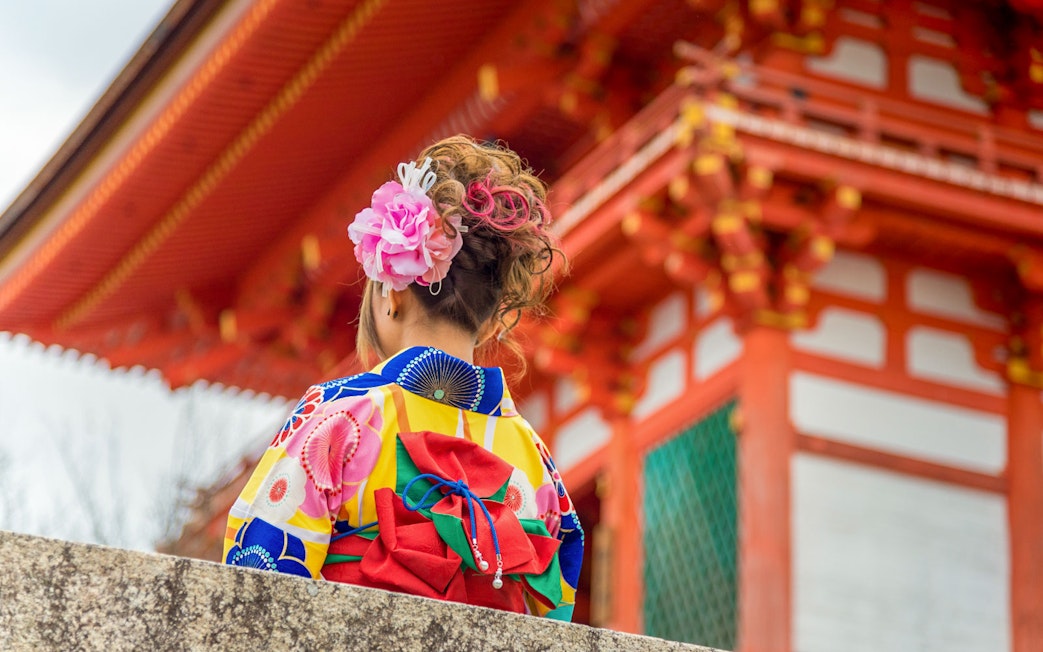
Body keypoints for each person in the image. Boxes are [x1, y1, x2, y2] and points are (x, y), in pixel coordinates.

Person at [223, 135, 584, 620]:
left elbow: (256, 584)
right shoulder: (534, 461)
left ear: (391, 296)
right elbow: (553, 608)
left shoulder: (340, 422)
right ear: (496, 319)